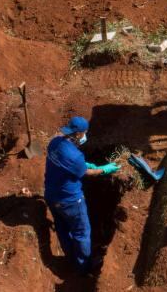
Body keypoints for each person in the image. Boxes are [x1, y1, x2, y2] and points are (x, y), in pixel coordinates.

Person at [44, 116, 119, 274]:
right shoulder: (75, 155)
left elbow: (64, 163)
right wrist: (105, 169)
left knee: (62, 227)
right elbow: (88, 173)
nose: (85, 136)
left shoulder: (54, 142)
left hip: (51, 195)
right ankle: (84, 267)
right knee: (82, 232)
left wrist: (83, 164)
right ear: (78, 134)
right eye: (84, 133)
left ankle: (70, 257)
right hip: (70, 201)